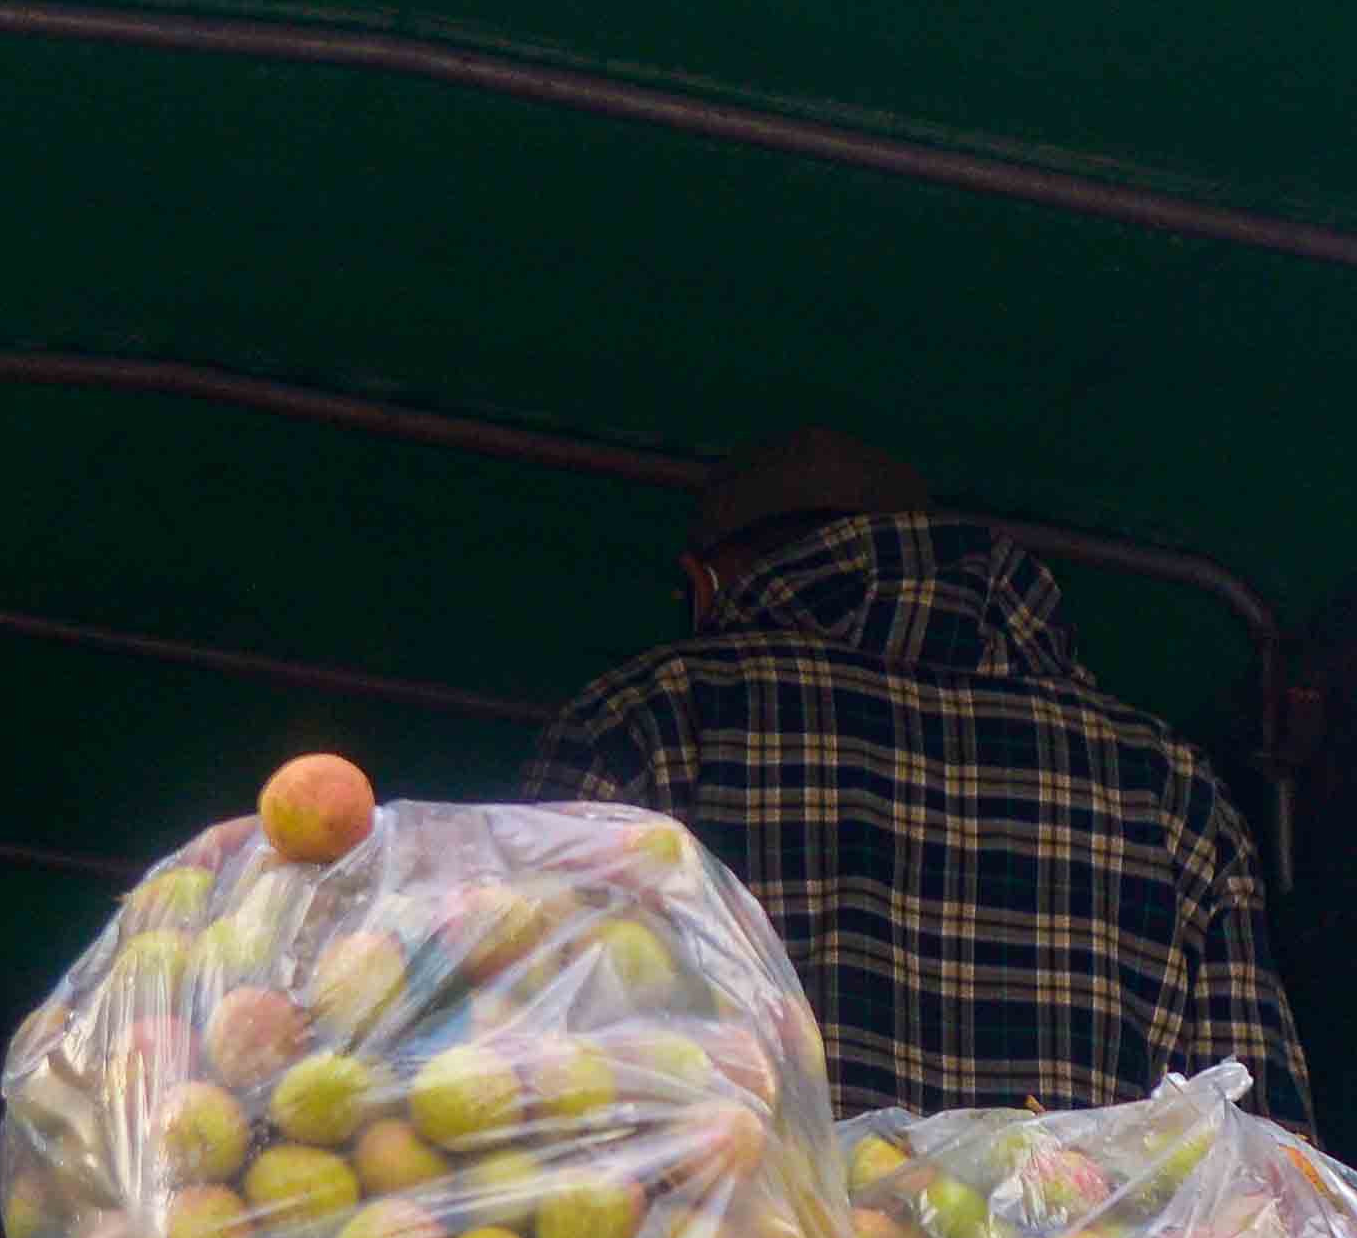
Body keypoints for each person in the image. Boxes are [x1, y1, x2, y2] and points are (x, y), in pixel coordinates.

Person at [531, 429, 1315, 1127]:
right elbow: (1263, 1158)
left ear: (702, 585)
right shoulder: (1169, 789)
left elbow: (521, 1066)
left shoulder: (652, 718)